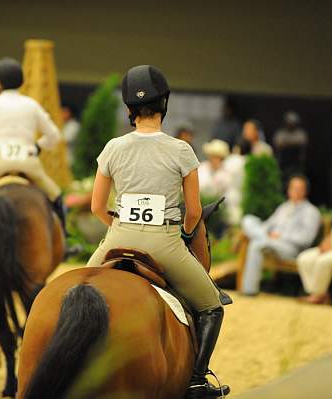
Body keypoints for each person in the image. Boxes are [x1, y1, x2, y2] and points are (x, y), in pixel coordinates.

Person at [87, 65, 229, 398]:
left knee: (74, 291)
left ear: (128, 110)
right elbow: (193, 211)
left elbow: (96, 207)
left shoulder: (112, 148)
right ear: (164, 104)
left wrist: (119, 228)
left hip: (117, 239)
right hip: (164, 243)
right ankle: (196, 379)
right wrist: (184, 233)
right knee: (211, 306)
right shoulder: (182, 150)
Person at [0, 58, 68, 232]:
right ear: (21, 81)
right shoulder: (31, 104)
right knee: (56, 196)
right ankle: (64, 238)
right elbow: (54, 135)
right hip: (28, 161)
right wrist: (38, 147)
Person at [239, 175, 321, 295]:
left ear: (305, 191)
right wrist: (266, 233)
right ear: (289, 190)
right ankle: (261, 238)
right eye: (293, 188)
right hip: (271, 241)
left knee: (256, 244)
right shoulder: (283, 207)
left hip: (292, 248)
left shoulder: (311, 212)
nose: (296, 191)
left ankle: (249, 290)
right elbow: (268, 224)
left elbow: (306, 239)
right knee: (248, 220)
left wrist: (280, 236)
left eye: (300, 188)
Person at [221, 137, 252, 224]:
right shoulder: (250, 162)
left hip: (230, 194)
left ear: (237, 148)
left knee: (231, 220)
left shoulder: (231, 160)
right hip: (244, 195)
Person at [272, 111, 308, 180]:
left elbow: (302, 143)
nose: (291, 124)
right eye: (289, 122)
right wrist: (292, 144)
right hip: (283, 163)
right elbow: (278, 144)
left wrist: (286, 144)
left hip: (297, 163)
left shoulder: (300, 133)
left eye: (293, 123)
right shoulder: (280, 132)